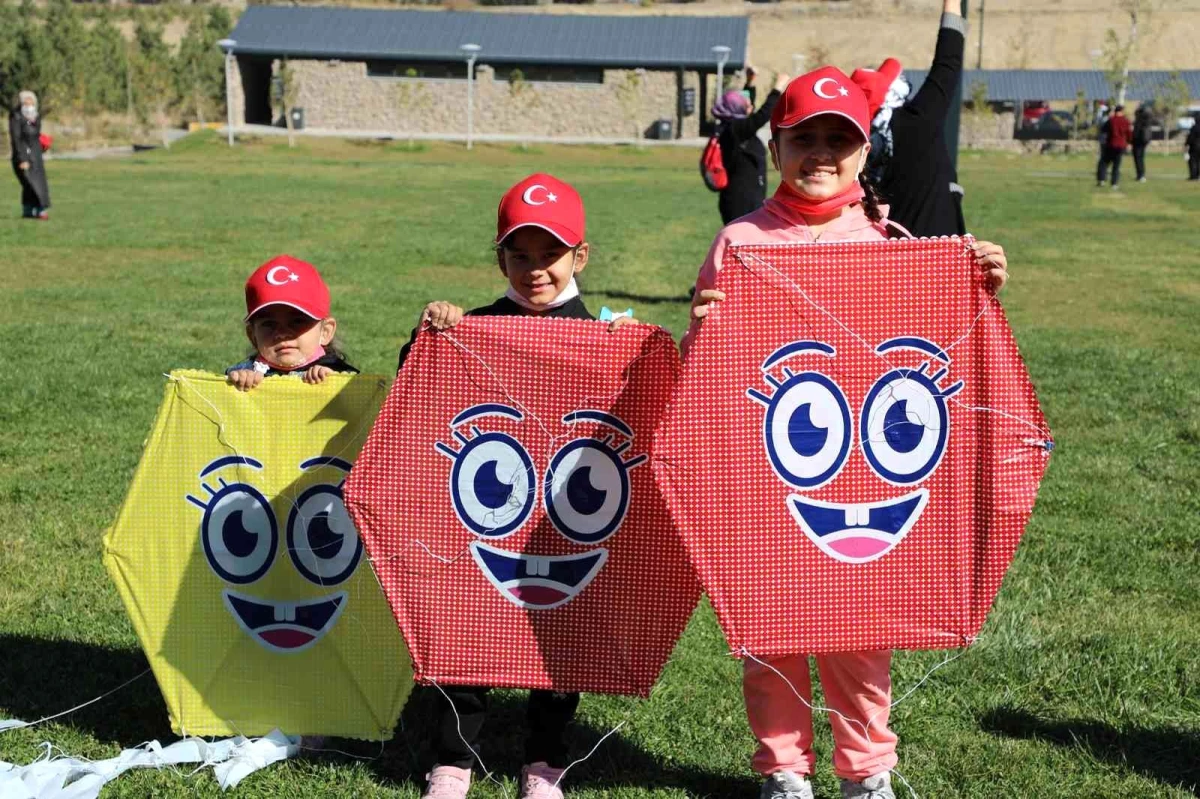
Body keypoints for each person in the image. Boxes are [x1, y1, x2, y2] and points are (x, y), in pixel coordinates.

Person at [683, 66, 1008, 799]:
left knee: (861, 632)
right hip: (765, 479)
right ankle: (784, 771)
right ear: (775, 147)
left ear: (865, 152)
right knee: (772, 634)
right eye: (805, 138)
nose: (822, 153)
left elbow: (933, 360)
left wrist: (974, 287)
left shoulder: (892, 245)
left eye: (841, 139)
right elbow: (699, 379)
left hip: (863, 481)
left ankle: (867, 770)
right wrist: (699, 336)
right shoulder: (740, 244)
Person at [400, 172, 630, 799]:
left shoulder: (606, 339)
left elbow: (651, 404)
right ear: (498, 256)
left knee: (562, 638)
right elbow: (414, 392)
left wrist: (635, 355)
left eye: (550, 255)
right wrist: (429, 335)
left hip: (567, 517)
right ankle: (452, 758)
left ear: (580, 256)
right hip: (484, 519)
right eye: (519, 255)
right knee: (466, 629)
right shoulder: (471, 331)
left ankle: (546, 760)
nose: (534, 269)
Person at [849, 0, 968, 237]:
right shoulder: (918, 121)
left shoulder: (853, 148)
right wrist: (952, 3)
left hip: (891, 256)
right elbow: (948, 61)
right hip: (940, 250)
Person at [227, 255, 357, 391]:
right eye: (269, 324)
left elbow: (359, 407)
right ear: (253, 336)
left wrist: (337, 383)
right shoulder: (246, 373)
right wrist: (237, 385)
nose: (282, 334)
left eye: (297, 321)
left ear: (325, 331)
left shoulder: (343, 376)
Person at [711, 72, 790, 225]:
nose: (750, 105)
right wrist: (778, 87)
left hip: (745, 199)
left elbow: (749, 112)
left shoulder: (734, 128)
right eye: (746, 104)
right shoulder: (736, 130)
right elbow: (762, 115)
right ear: (738, 110)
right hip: (740, 203)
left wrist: (750, 83)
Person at [9, 90, 51, 220]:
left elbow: (35, 135)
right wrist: (22, 159)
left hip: (36, 155)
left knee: (38, 183)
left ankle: (31, 210)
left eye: (31, 102)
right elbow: (16, 139)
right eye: (25, 103)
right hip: (22, 156)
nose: (29, 105)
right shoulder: (16, 117)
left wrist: (43, 143)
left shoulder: (36, 117)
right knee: (30, 183)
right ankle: (38, 210)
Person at [1097, 104, 1132, 189]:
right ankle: (1114, 183)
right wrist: (1129, 143)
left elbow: (1103, 130)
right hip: (1121, 145)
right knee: (1116, 165)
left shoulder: (1111, 120)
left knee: (1104, 162)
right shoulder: (1126, 121)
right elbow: (1129, 133)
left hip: (1111, 144)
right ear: (1122, 111)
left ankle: (1102, 180)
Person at [1132, 105, 1152, 182]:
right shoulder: (1147, 119)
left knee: (1138, 158)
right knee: (1140, 158)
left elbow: (1136, 132)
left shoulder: (1140, 121)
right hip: (1143, 141)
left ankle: (1140, 175)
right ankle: (1141, 174)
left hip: (1138, 141)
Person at [1187, 114, 1200, 181]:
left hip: (1194, 147)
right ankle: (1197, 175)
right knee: (1198, 162)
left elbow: (1190, 137)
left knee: (1193, 162)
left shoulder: (1194, 127)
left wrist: (1186, 144)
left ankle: (1193, 176)